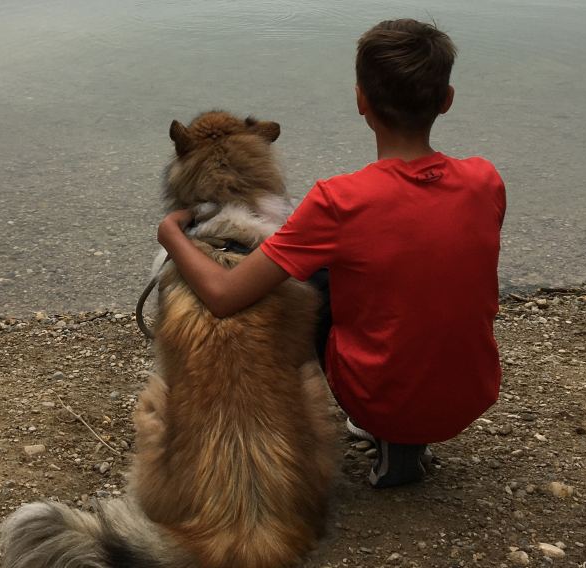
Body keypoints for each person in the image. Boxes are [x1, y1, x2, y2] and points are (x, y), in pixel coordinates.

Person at [156, 18, 506, 488]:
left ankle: (385, 432)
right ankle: (405, 424)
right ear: (446, 100)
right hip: (474, 392)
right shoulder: (486, 179)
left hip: (383, 400)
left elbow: (223, 294)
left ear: (361, 100)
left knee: (300, 282)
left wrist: (171, 236)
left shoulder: (339, 200)